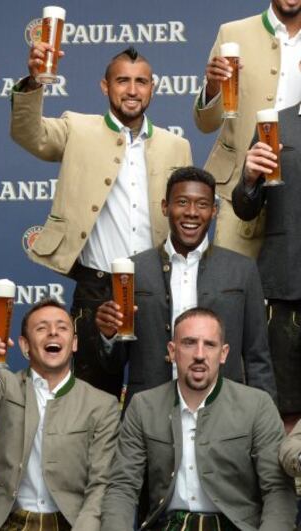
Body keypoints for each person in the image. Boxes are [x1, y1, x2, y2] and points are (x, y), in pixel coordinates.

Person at [10, 45, 192, 399]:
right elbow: (29, 134)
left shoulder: (177, 145)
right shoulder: (77, 127)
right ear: (104, 87)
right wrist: (34, 82)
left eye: (141, 81)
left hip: (155, 286)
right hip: (96, 287)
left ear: (153, 87)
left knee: (156, 393)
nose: (132, 90)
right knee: (92, 397)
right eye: (122, 80)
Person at [96, 166, 276, 410]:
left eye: (202, 204)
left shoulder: (242, 270)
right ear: (165, 207)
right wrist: (108, 336)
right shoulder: (131, 271)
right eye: (182, 202)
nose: (192, 212)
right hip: (150, 414)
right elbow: (112, 366)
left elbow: (258, 359)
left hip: (224, 413)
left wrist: (265, 423)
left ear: (213, 211)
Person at [100, 307, 295, 531]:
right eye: (189, 343)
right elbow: (122, 488)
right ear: (172, 351)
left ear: (223, 353)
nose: (200, 354)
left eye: (210, 344)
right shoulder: (143, 406)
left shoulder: (257, 405)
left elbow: (278, 490)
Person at [0, 298, 120, 531]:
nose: (53, 333)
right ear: (25, 346)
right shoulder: (5, 386)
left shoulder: (101, 404)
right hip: (5, 522)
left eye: (62, 327)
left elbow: (101, 485)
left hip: (70, 522)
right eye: (41, 328)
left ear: (74, 343)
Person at [194, 0, 301, 258]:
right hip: (239, 189)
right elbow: (205, 124)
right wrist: (212, 88)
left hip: (295, 194)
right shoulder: (233, 34)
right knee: (231, 291)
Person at [232, 101, 301, 433]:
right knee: (284, 408)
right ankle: (286, 485)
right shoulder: (274, 124)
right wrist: (248, 177)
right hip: (285, 288)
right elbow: (245, 208)